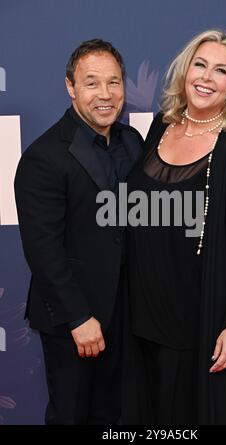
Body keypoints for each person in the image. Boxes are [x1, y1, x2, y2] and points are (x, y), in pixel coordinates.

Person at [123, 29, 226, 424]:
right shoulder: (161, 127)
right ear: (186, 70)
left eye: (221, 71)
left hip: (197, 325)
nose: (206, 77)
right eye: (201, 64)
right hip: (142, 318)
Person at [14, 39, 143, 425]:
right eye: (92, 83)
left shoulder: (133, 143)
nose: (105, 95)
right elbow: (42, 249)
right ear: (71, 87)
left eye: (114, 82)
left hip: (128, 316)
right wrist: (78, 318)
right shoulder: (44, 156)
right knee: (73, 416)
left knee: (121, 416)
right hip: (76, 321)